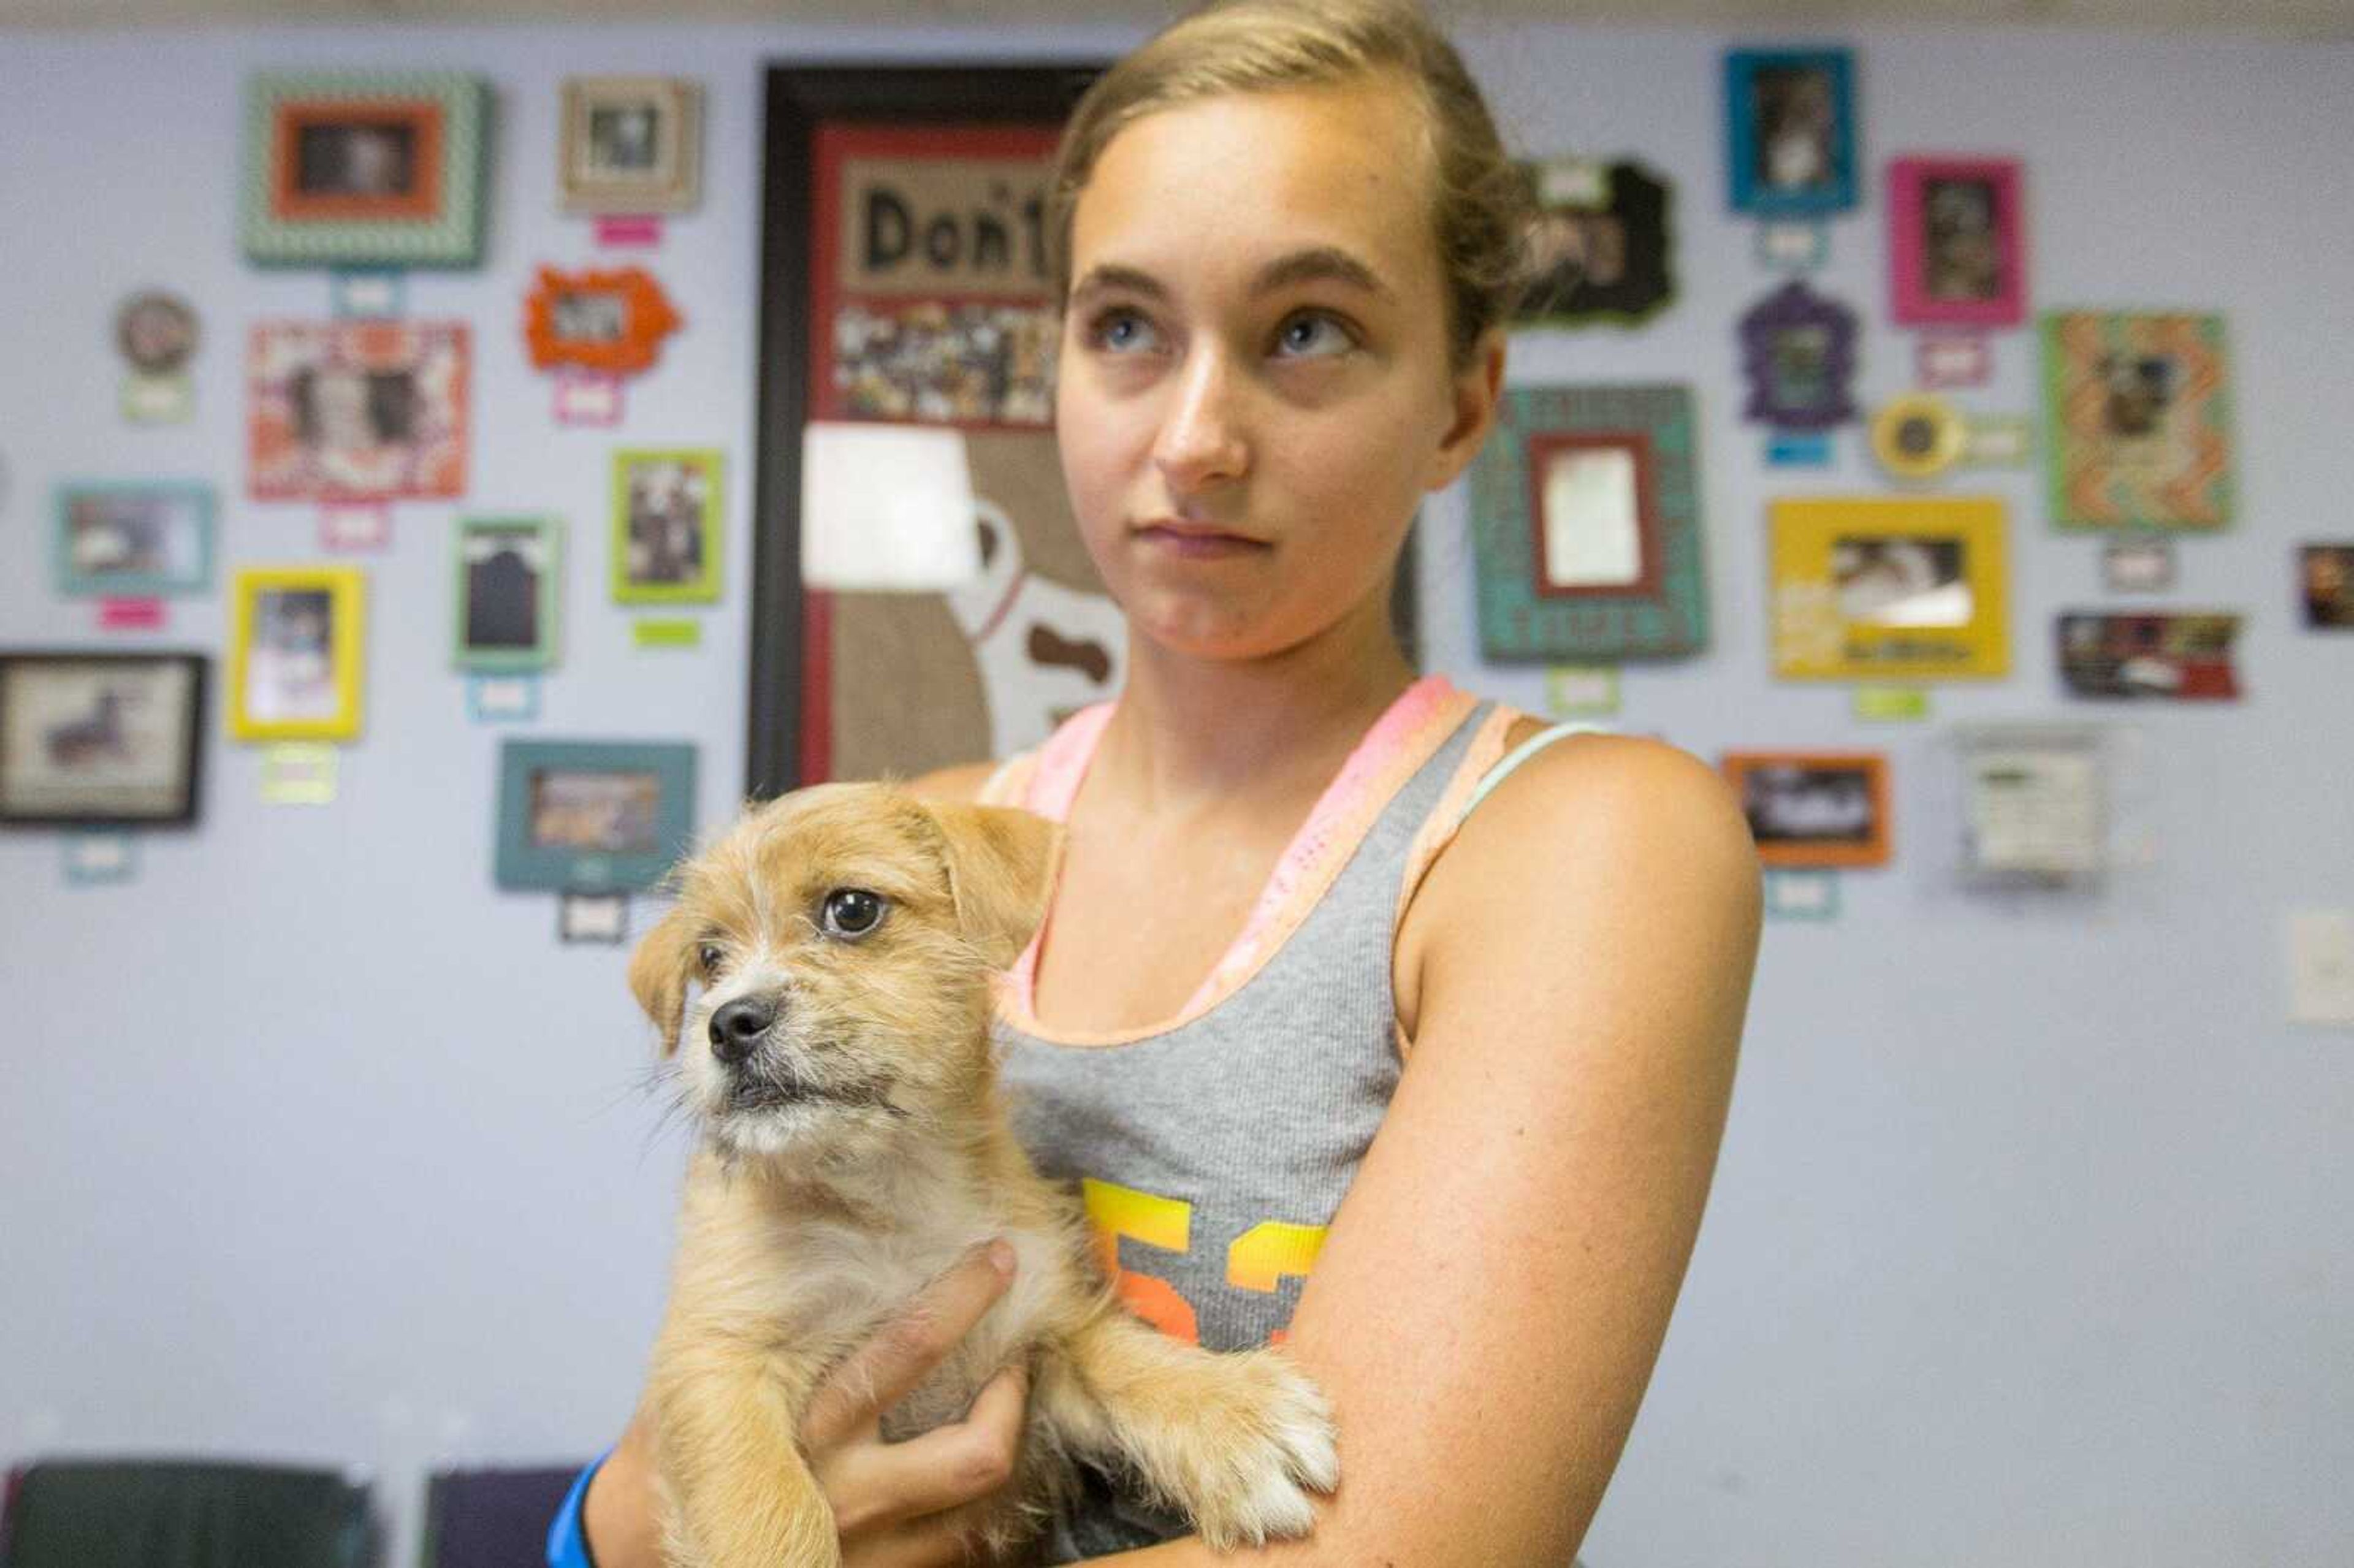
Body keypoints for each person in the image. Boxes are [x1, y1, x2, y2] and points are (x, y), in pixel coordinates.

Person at [551, 1, 1761, 1562]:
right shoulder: (916, 845)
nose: (1194, 439)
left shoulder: (1574, 842)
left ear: (1463, 398)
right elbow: (669, 1468)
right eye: (1124, 326)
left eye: (1307, 328)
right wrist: (601, 1532)